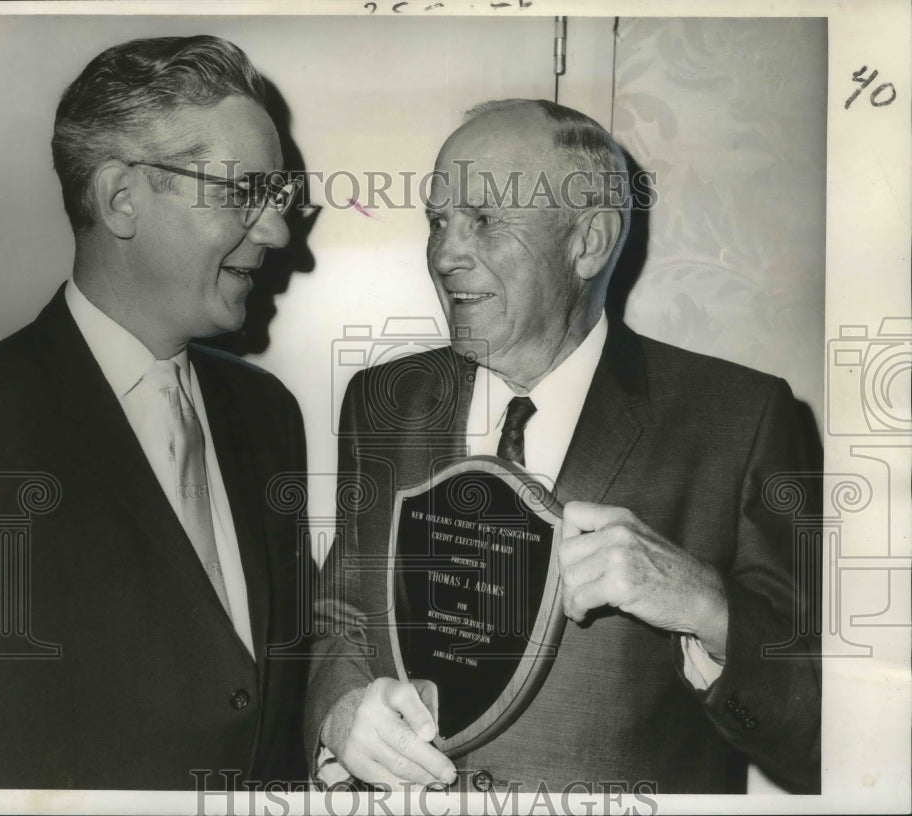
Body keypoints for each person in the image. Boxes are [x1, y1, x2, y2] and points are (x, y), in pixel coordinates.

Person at [306, 99, 820, 794]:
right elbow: (342, 615)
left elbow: (816, 738)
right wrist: (339, 713)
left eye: (484, 220)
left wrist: (709, 608)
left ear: (588, 242)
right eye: (437, 221)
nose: (445, 254)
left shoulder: (741, 418)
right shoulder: (382, 400)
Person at [0, 35, 310, 789]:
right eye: (243, 193)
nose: (275, 232)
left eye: (278, 198)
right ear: (121, 198)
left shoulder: (269, 417)